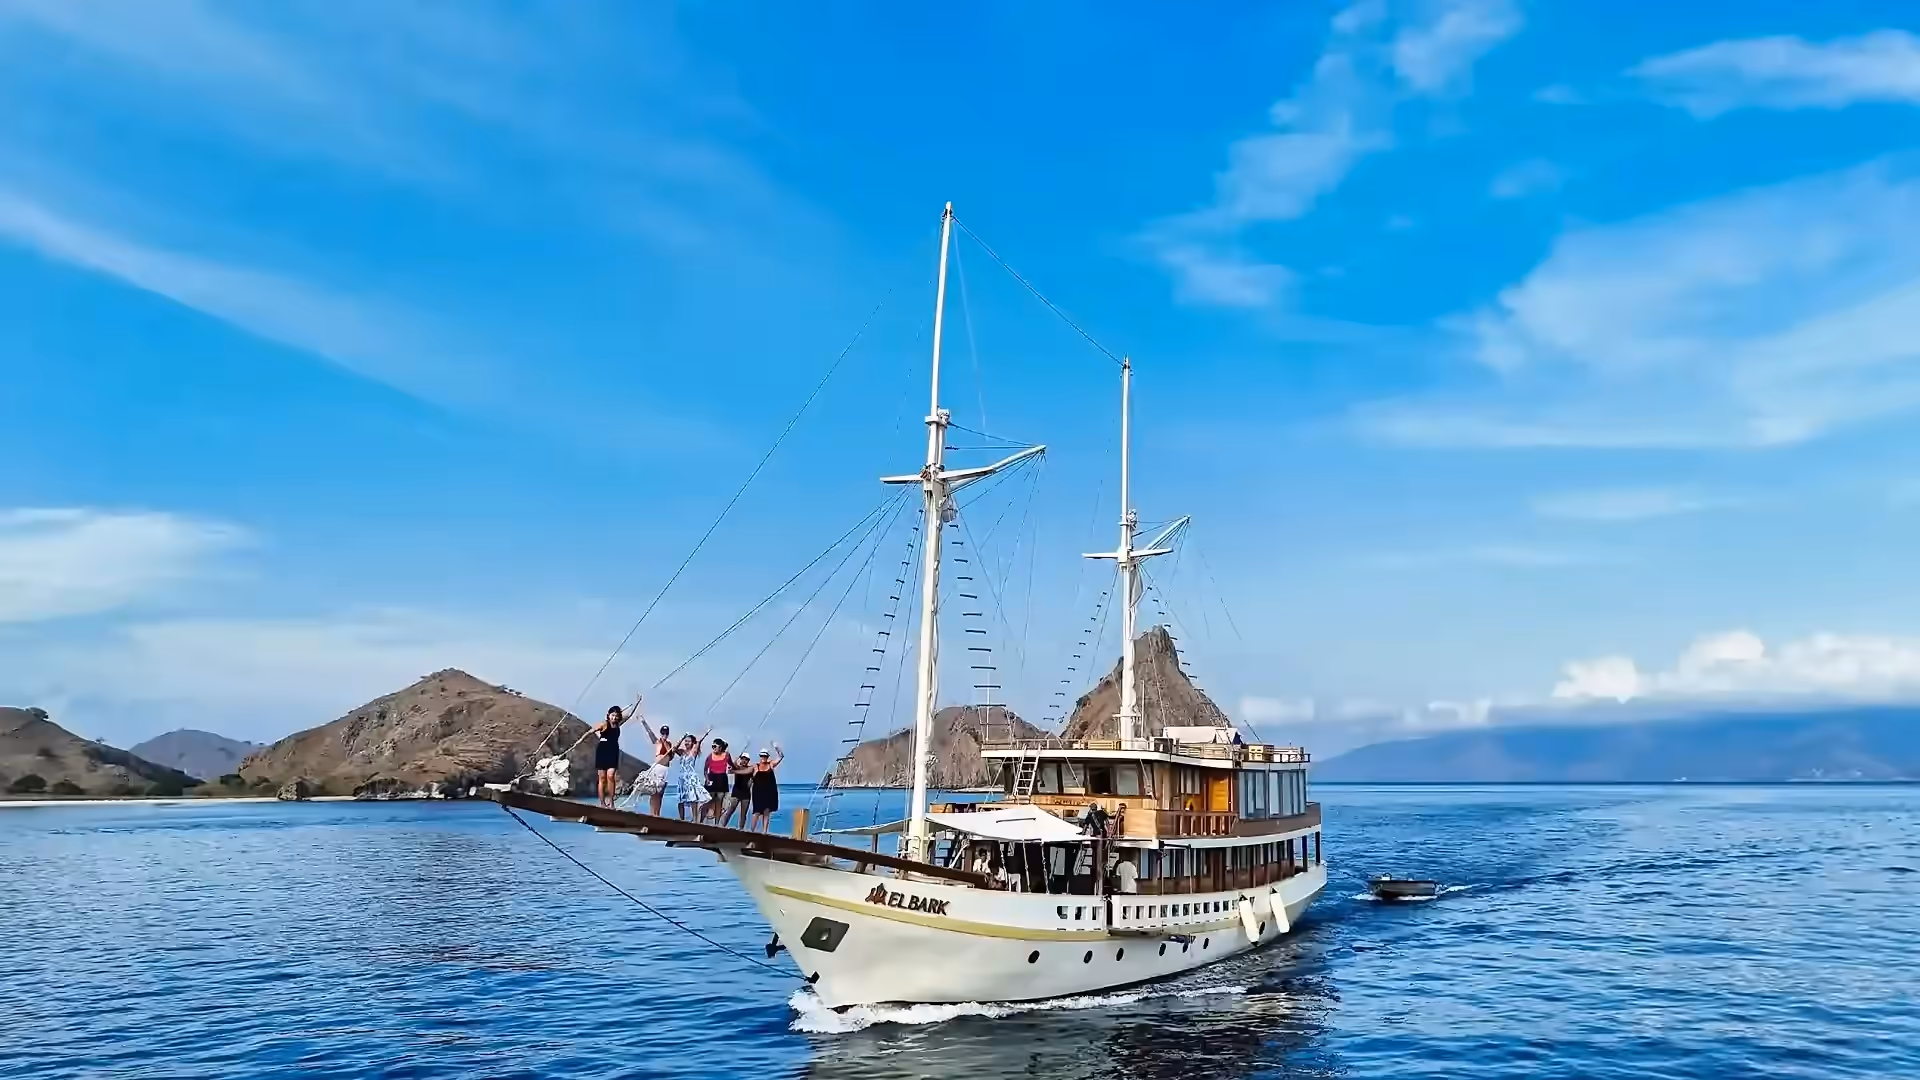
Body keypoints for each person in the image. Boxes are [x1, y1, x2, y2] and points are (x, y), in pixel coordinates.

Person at [632, 711, 672, 815]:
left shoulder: (669, 744)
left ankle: (657, 813)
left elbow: (671, 757)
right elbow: (649, 732)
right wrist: (643, 721)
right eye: (663, 733)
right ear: (661, 733)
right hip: (658, 768)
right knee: (654, 791)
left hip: (665, 770)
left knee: (660, 793)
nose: (665, 735)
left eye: (666, 733)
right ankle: (652, 813)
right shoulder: (658, 742)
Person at [592, 705, 626, 809]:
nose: (614, 718)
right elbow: (593, 730)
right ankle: (602, 803)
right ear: (608, 715)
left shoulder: (618, 724)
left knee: (610, 776)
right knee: (602, 778)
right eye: (612, 715)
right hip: (602, 750)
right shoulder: (604, 724)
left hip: (613, 750)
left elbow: (628, 715)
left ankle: (611, 802)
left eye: (616, 716)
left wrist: (637, 702)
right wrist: (592, 731)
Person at [749, 744, 784, 832]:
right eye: (762, 756)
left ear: (767, 756)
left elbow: (781, 756)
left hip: (769, 791)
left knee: (766, 811)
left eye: (765, 756)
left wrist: (776, 747)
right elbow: (746, 773)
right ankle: (751, 831)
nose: (763, 757)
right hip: (758, 791)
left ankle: (764, 832)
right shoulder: (755, 766)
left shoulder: (771, 764)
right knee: (756, 811)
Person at [701, 739, 734, 823]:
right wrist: (707, 779)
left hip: (722, 779)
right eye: (712, 746)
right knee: (707, 801)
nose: (713, 748)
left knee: (719, 802)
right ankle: (701, 821)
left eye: (715, 746)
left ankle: (716, 824)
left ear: (720, 747)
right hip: (711, 778)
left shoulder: (727, 755)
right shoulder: (710, 756)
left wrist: (731, 768)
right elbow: (705, 770)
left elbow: (732, 765)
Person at [725, 753, 754, 829]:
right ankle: (722, 826)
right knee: (730, 810)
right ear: (740, 759)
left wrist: (751, 782)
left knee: (743, 814)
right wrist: (737, 757)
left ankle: (741, 829)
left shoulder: (750, 769)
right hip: (736, 792)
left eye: (746, 759)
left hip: (746, 794)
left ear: (748, 761)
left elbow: (752, 780)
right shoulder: (737, 767)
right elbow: (732, 763)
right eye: (743, 759)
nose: (744, 761)